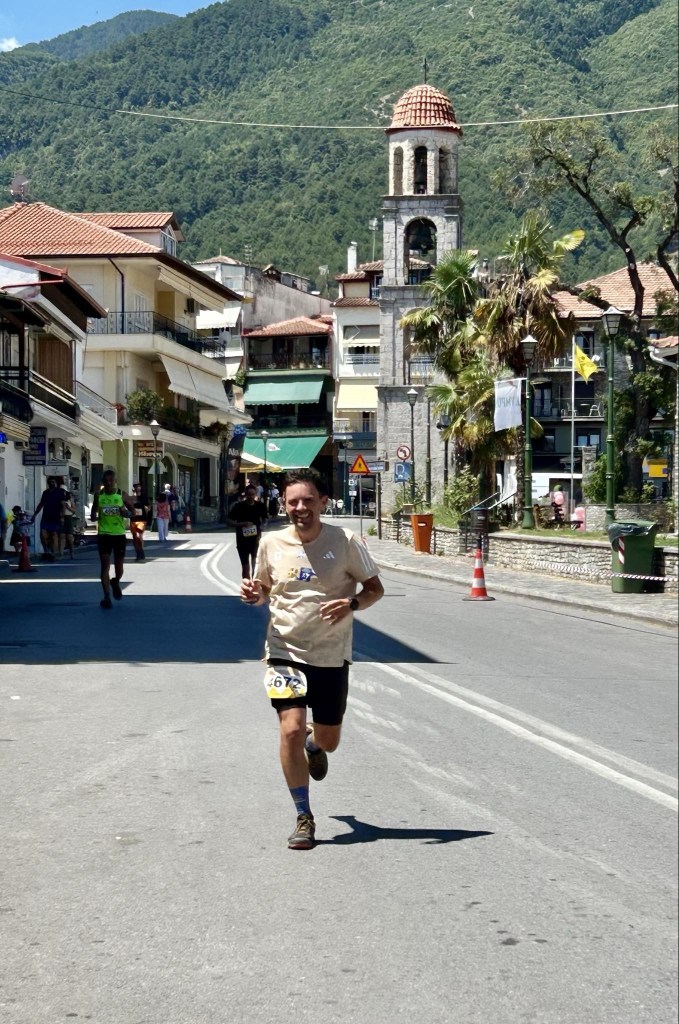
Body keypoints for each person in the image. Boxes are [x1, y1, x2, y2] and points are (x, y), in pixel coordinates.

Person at [241, 468, 384, 851]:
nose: (300, 507)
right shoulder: (271, 543)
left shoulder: (345, 541)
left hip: (330, 654)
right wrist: (254, 594)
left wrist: (352, 603)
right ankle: (303, 816)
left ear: (323, 502)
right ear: (284, 505)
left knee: (329, 739)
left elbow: (374, 589)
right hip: (284, 650)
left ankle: (315, 745)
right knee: (289, 729)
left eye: (307, 500)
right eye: (293, 502)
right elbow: (264, 590)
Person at [90, 470, 133, 609]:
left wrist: (125, 512)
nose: (108, 483)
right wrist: (94, 517)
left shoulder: (122, 494)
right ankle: (106, 596)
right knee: (105, 566)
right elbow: (93, 513)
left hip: (119, 535)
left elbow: (133, 512)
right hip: (104, 535)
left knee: (119, 569)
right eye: (106, 481)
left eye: (111, 480)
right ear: (102, 482)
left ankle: (115, 581)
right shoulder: (98, 495)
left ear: (115, 481)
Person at [228, 484, 268, 578]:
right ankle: (247, 584)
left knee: (256, 567)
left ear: (255, 494)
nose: (250, 497)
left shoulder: (260, 506)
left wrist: (263, 526)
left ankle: (254, 584)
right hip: (242, 541)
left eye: (252, 494)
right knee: (245, 568)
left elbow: (265, 519)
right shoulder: (239, 506)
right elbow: (229, 521)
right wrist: (241, 524)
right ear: (245, 494)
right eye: (249, 494)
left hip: (255, 539)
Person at [33, 475, 69, 560]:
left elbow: (63, 505)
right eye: (50, 482)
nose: (51, 483)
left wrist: (62, 516)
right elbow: (41, 504)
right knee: (43, 534)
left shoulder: (60, 492)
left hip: (55, 516)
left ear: (56, 483)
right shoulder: (45, 492)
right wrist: (35, 515)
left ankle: (53, 553)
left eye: (53, 482)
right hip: (46, 516)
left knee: (53, 534)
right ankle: (46, 550)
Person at [129, 482, 150, 561]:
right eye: (136, 487)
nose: (137, 488)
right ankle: (138, 552)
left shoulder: (144, 497)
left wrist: (147, 509)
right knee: (135, 537)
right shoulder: (131, 498)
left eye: (139, 487)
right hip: (133, 519)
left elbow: (148, 506)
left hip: (142, 519)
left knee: (139, 535)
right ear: (133, 489)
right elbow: (128, 507)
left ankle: (141, 550)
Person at [60, 491, 77, 559]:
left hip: (69, 517)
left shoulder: (70, 501)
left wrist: (68, 507)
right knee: (62, 536)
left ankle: (72, 552)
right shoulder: (61, 501)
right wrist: (61, 517)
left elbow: (74, 510)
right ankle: (61, 554)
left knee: (70, 536)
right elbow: (61, 510)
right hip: (62, 517)